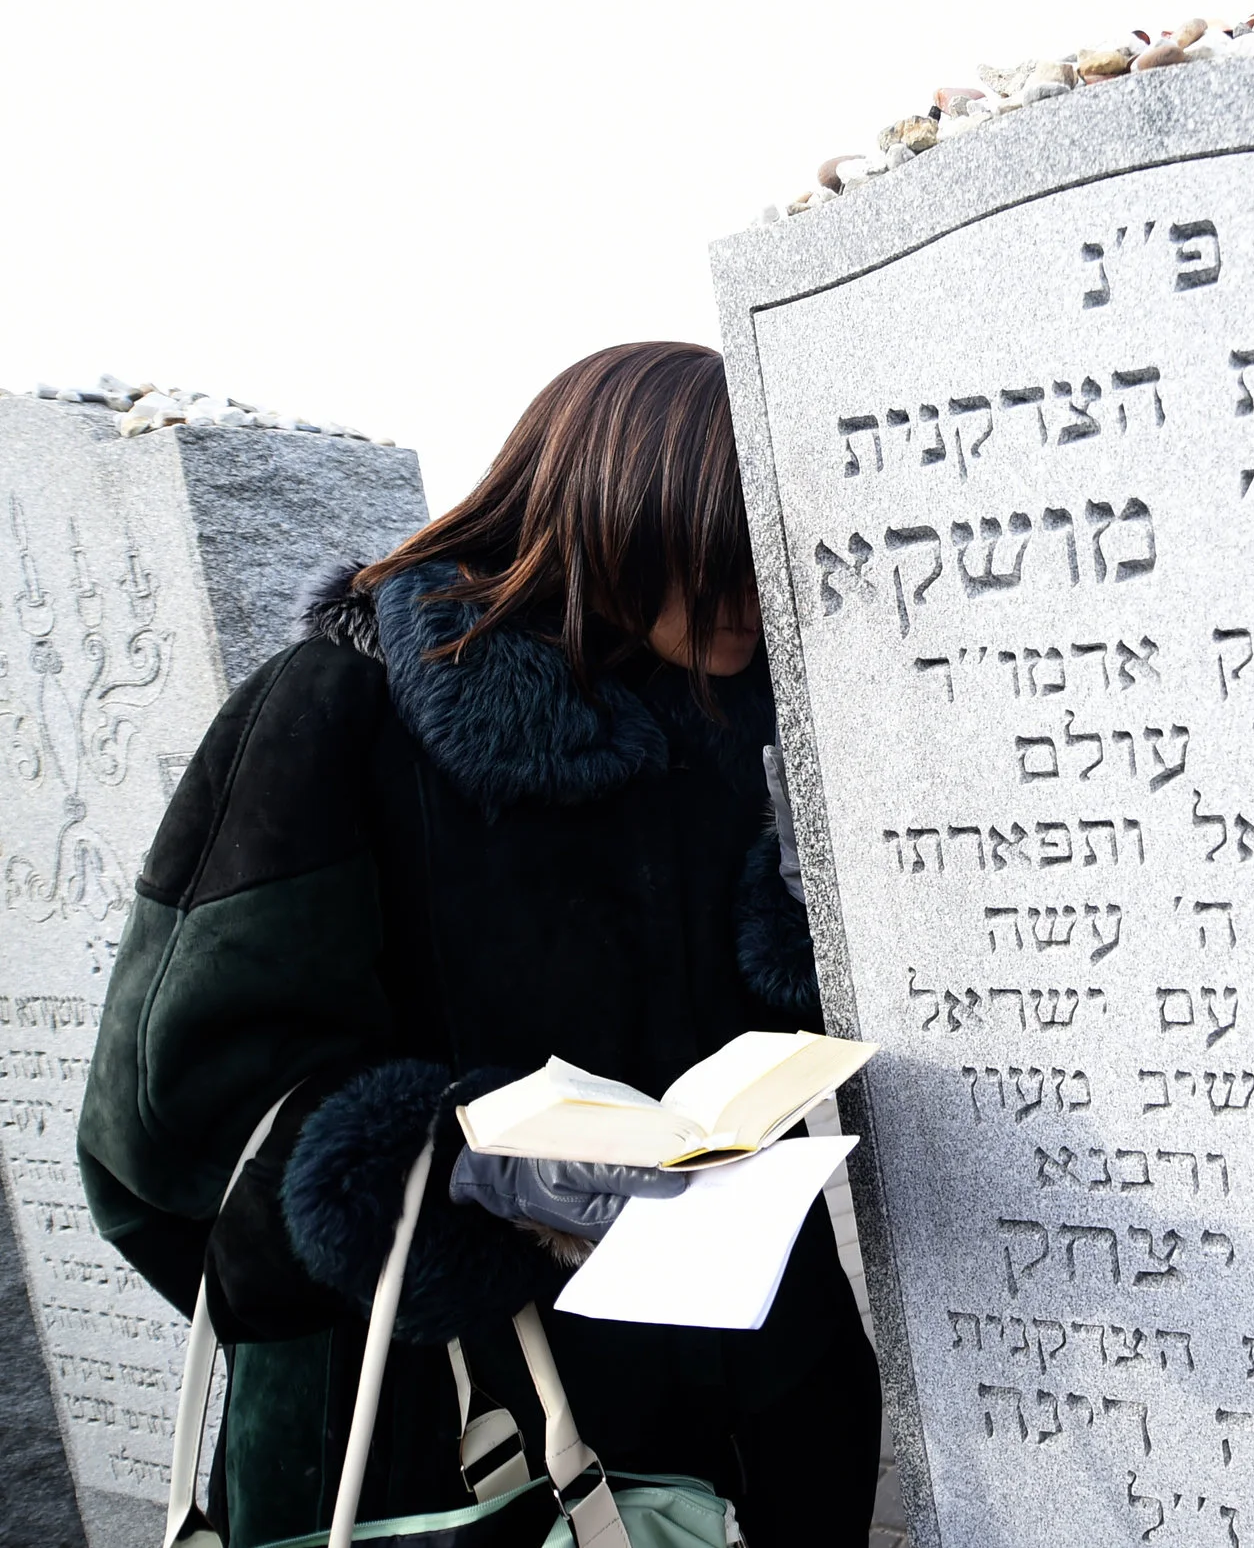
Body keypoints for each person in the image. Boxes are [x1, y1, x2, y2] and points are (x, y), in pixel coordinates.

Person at [78, 342, 881, 1545]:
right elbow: (169, 1123)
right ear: (624, 508)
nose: (760, 598)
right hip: (448, 1428)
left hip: (745, 1391)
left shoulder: (718, 732)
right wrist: (470, 1158)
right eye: (730, 555)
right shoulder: (335, 710)